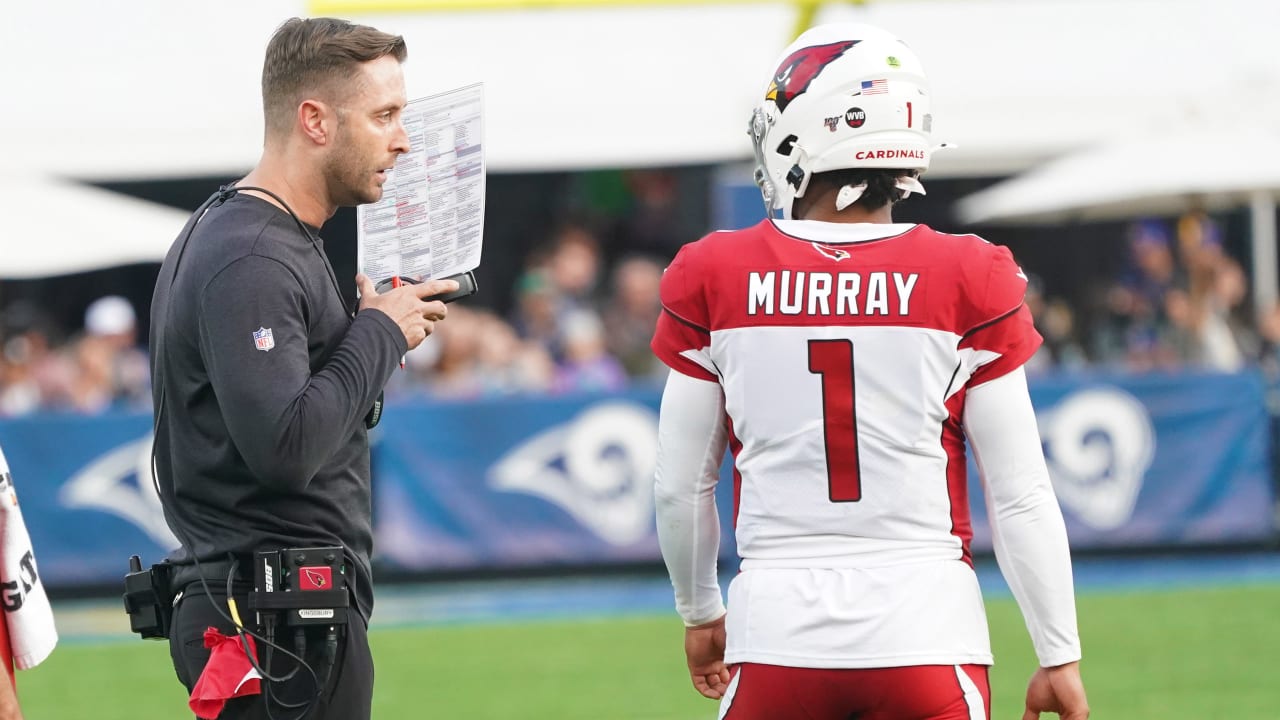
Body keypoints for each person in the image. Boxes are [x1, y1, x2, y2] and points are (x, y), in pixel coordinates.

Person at [650, 23, 1089, 720]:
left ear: (806, 129)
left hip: (776, 636)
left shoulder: (716, 272)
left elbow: (681, 485)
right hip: (928, 633)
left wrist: (700, 612)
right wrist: (1057, 652)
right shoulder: (969, 273)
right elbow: (1021, 493)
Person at [149, 17, 459, 720]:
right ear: (315, 120)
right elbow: (285, 450)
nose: (403, 140)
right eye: (384, 116)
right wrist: (378, 333)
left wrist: (368, 337)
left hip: (274, 608)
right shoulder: (253, 254)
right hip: (273, 616)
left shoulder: (257, 234)